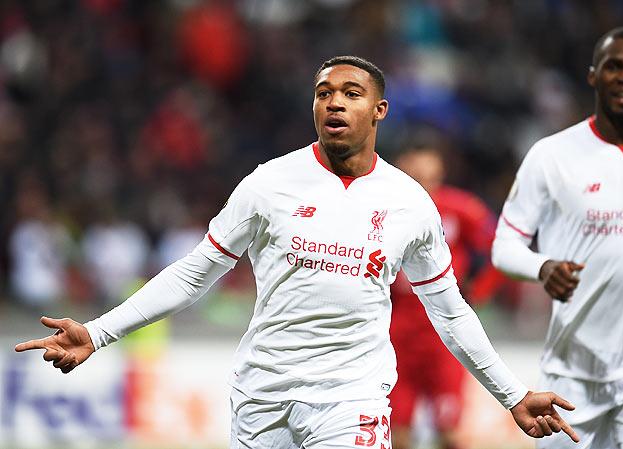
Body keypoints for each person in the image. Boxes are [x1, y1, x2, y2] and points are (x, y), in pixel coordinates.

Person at [16, 55, 578, 448]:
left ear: (379, 111)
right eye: (324, 93)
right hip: (263, 393)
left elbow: (450, 311)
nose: (334, 103)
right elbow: (195, 274)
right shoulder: (268, 184)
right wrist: (99, 332)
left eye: (351, 94)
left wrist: (512, 394)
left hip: (351, 396)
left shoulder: (410, 203)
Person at [492, 27, 623, 449]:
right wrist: (542, 266)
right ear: (593, 76)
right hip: (572, 372)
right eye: (615, 66)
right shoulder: (552, 155)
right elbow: (503, 245)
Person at [389, 145, 508, 449]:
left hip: (445, 340)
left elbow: (501, 248)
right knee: (394, 437)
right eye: (416, 176)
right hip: (395, 339)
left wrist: (478, 292)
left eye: (430, 176)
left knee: (451, 435)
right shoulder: (382, 210)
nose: (424, 184)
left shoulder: (460, 207)